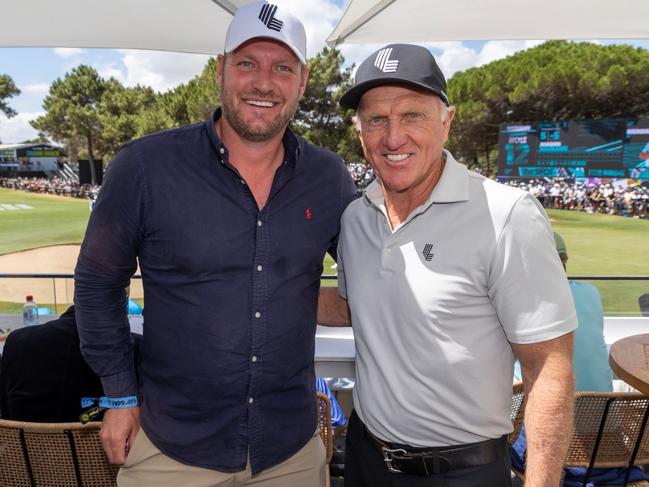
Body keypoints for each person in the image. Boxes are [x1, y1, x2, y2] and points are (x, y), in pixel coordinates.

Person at [73, 2, 357, 486]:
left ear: (303, 81)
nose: (264, 83)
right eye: (247, 63)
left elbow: (372, 277)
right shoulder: (145, 167)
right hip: (173, 451)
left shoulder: (328, 177)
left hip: (290, 454)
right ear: (221, 69)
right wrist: (119, 397)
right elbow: (98, 285)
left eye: (282, 68)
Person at [318, 44, 577, 487]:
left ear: (447, 121)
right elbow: (350, 305)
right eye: (376, 120)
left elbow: (548, 367)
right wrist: (253, 289)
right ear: (360, 133)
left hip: (464, 473)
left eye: (412, 116)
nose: (392, 137)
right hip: (366, 461)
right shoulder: (356, 218)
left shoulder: (507, 214)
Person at [0, 305, 109, 422]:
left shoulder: (17, 340)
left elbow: (5, 415)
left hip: (22, 438)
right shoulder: (124, 348)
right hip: (95, 437)